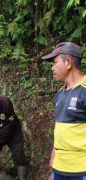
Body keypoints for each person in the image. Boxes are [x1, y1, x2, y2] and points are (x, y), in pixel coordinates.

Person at [41, 42, 85, 179]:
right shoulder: (60, 94)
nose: (52, 68)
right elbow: (60, 130)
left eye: (54, 63)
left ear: (68, 62)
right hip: (59, 168)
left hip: (81, 170)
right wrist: (53, 155)